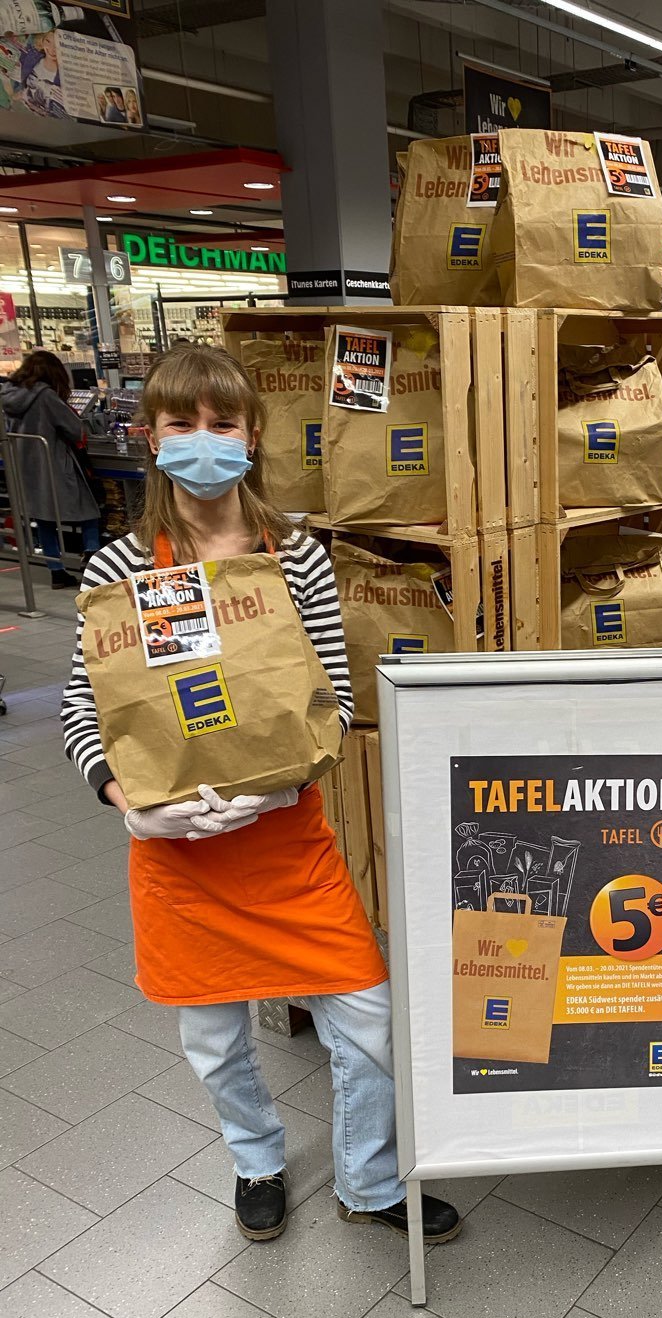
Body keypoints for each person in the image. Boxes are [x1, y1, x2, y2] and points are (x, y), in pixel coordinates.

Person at [61, 344, 460, 1247]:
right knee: (211, 1039)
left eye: (223, 424)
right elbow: (85, 703)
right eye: (182, 424)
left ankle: (365, 1179)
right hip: (175, 854)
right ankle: (256, 1160)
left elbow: (337, 699)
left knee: (366, 1020)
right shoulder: (116, 572)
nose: (204, 442)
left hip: (285, 844)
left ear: (252, 435)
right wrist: (128, 800)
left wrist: (275, 786)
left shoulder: (302, 560)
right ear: (150, 436)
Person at [2, 349, 101, 590]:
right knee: (90, 510)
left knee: (44, 518)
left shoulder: (8, 396)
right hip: (55, 466)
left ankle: (56, 570)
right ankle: (92, 560)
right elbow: (75, 429)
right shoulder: (45, 396)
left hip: (25, 468)